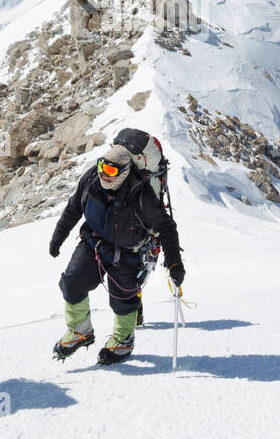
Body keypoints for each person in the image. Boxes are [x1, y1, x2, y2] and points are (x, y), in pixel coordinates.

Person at [49, 143, 184, 364]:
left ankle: (123, 341)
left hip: (129, 253)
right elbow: (74, 208)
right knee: (72, 282)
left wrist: (175, 264)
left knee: (123, 299)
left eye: (111, 171)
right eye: (102, 166)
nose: (104, 174)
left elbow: (167, 228)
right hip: (94, 243)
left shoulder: (141, 196)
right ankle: (80, 331)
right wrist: (57, 238)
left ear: (124, 172)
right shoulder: (92, 178)